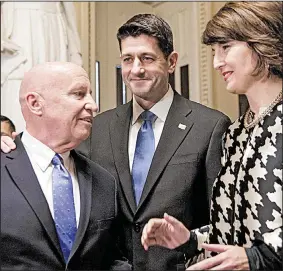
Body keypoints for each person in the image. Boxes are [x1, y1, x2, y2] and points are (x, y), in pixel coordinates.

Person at [1, 14, 231, 271]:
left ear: (171, 62)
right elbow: (48, 154)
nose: (136, 69)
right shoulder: (95, 127)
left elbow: (222, 221)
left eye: (147, 58)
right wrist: (13, 146)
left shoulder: (210, 126)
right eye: (127, 60)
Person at [141, 2, 282, 270]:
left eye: (226, 47)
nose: (217, 63)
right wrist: (190, 239)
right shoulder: (234, 134)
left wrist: (255, 258)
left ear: (260, 40)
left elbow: (254, 250)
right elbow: (234, 231)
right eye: (214, 51)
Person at [1, 62, 131, 270]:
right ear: (35, 103)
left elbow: (113, 260)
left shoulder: (103, 181)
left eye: (90, 94)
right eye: (79, 94)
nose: (93, 105)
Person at [1, 1, 82, 132]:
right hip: (18, 27)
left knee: (55, 95)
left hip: (53, 26)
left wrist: (75, 52)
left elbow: (69, 11)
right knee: (17, 93)